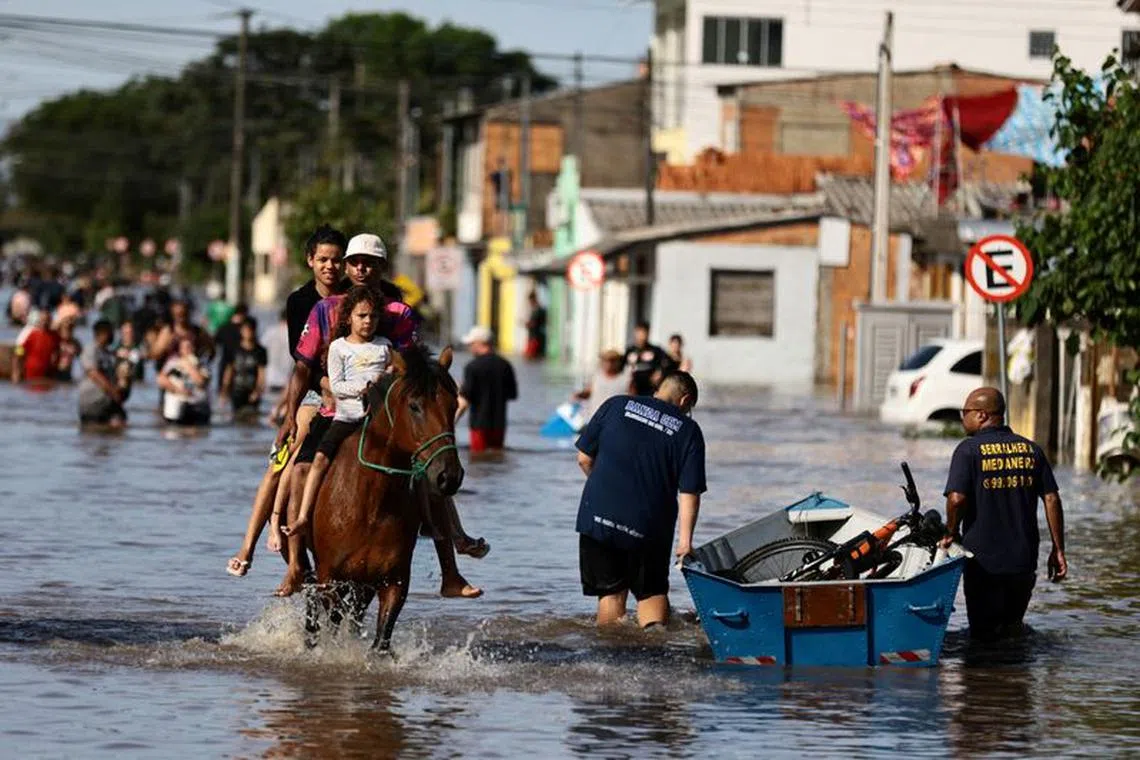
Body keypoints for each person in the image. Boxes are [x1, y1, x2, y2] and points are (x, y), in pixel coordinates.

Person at [274, 231, 486, 598]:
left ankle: (450, 570)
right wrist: (291, 416)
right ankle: (294, 562)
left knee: (428, 468)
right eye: (355, 262)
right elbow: (303, 367)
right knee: (297, 469)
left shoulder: (398, 311)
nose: (361, 268)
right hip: (334, 403)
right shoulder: (325, 307)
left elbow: (413, 364)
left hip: (388, 411)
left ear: (380, 267)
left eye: (369, 263)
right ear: (346, 266)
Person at [226, 224, 348, 579]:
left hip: (353, 390)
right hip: (315, 390)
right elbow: (303, 363)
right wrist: (294, 412)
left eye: (337, 260)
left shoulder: (356, 296)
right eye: (323, 259)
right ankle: (248, 547)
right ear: (310, 260)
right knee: (282, 460)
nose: (330, 266)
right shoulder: (299, 302)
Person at [574, 372, 706, 627]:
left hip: (598, 516)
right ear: (684, 400)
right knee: (651, 592)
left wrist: (609, 491)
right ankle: (652, 653)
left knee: (610, 594)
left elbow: (584, 459)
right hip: (648, 526)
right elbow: (689, 491)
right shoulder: (688, 430)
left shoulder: (616, 404)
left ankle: (608, 658)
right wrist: (685, 542)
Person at [941, 387, 1068, 641]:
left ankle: (987, 680)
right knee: (1012, 631)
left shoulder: (968, 450)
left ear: (981, 415)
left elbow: (956, 499)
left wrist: (951, 533)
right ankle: (1018, 679)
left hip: (983, 563)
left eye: (964, 412)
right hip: (1023, 560)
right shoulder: (1031, 450)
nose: (961, 418)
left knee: (982, 637)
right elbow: (1052, 499)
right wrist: (1058, 550)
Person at [283, 286, 392, 538]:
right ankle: (302, 517)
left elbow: (396, 377)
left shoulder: (385, 347)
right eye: (361, 316)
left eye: (373, 316)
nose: (367, 322)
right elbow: (338, 386)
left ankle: (433, 524)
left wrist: (387, 381)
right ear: (349, 318)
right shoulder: (338, 348)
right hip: (346, 418)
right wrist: (365, 388)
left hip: (378, 421)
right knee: (319, 459)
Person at [456, 325, 518, 454]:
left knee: (478, 459)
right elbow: (512, 394)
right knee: (496, 456)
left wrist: (451, 422)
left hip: (478, 426)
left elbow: (464, 401)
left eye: (471, 343)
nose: (469, 347)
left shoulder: (472, 367)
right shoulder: (505, 365)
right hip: (499, 424)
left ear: (480, 343)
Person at [78, 320, 127, 427]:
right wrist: (112, 391)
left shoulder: (106, 353)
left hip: (106, 401)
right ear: (103, 333)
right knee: (93, 432)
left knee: (120, 424)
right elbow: (93, 373)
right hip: (92, 403)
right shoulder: (90, 349)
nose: (113, 336)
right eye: (111, 333)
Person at [159, 336, 211, 425]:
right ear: (180, 349)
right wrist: (177, 390)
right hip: (177, 407)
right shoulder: (173, 363)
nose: (188, 350)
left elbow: (201, 382)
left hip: (197, 407)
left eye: (190, 347)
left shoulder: (202, 364)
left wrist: (189, 367)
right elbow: (161, 379)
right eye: (185, 347)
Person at [221, 317, 267, 416]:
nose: (248, 332)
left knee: (252, 417)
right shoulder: (234, 349)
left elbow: (261, 373)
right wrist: (224, 391)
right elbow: (229, 371)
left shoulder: (260, 351)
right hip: (237, 390)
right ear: (241, 331)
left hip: (252, 391)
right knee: (237, 417)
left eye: (250, 330)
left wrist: (258, 391)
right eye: (245, 330)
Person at [572, 349, 634, 421]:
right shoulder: (596, 376)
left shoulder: (627, 379)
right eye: (605, 360)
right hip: (595, 419)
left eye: (612, 361)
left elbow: (632, 401)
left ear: (619, 362)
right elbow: (589, 392)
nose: (609, 363)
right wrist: (579, 395)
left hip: (615, 421)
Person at [625, 321, 673, 396]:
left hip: (649, 388)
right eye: (640, 332)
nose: (642, 336)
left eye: (644, 333)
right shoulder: (630, 350)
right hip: (632, 388)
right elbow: (622, 366)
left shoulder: (656, 350)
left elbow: (667, 362)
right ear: (635, 332)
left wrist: (660, 372)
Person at [12, 309, 58, 383]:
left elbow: (57, 352)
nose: (45, 322)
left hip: (47, 375)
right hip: (30, 374)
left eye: (47, 320)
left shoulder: (54, 336)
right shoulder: (32, 334)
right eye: (43, 320)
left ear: (50, 321)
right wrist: (16, 372)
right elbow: (18, 353)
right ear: (39, 320)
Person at [214, 302, 250, 390]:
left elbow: (215, 345)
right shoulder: (246, 331)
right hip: (241, 368)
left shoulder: (222, 328)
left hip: (224, 366)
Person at [523, 291, 547, 361]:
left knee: (532, 356)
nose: (530, 302)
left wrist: (529, 324)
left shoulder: (538, 309)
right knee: (529, 356)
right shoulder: (534, 309)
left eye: (530, 300)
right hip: (532, 335)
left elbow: (536, 322)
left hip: (535, 336)